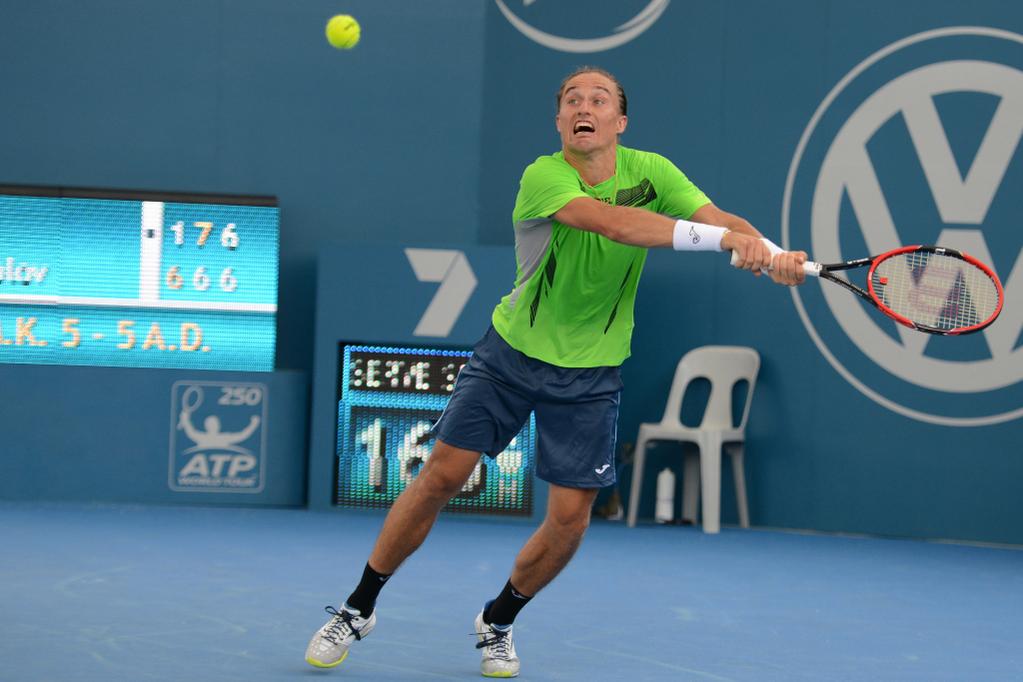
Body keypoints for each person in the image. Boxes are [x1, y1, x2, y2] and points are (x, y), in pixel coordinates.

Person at [305, 66, 807, 678]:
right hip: (511, 355)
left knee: (570, 520)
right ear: (560, 120)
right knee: (442, 475)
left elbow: (719, 216)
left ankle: (499, 620)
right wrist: (726, 242)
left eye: (598, 99)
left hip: (592, 371)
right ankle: (358, 607)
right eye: (572, 99)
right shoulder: (544, 176)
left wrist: (771, 254)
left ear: (620, 122)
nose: (583, 106)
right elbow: (615, 224)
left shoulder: (653, 172)